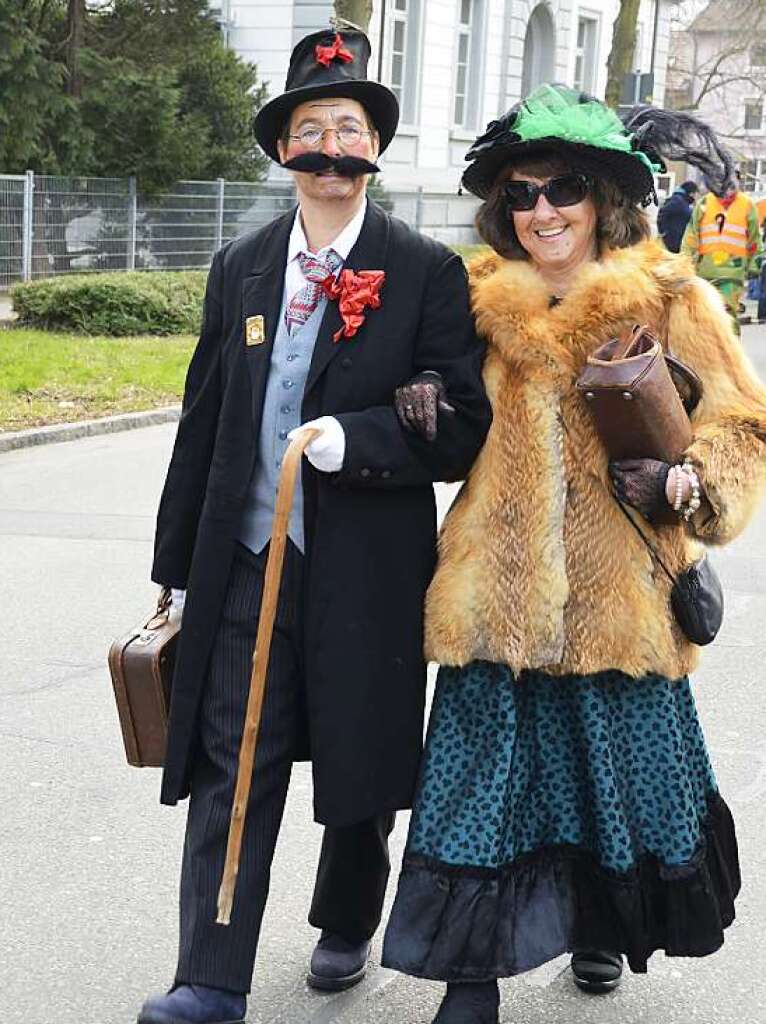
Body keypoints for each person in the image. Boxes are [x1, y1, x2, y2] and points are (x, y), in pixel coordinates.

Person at [381, 84, 766, 1024]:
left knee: (609, 785)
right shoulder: (471, 303)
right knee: (479, 789)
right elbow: (449, 425)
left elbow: (746, 428)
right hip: (493, 595)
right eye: (520, 194)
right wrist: (423, 407)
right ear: (500, 210)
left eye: (562, 189)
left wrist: (685, 484)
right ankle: (468, 982)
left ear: (602, 197)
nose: (542, 210)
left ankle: (599, 930)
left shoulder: (672, 298)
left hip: (619, 597)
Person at [137, 26, 491, 1024]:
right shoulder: (240, 268)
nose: (331, 146)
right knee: (228, 759)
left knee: (360, 760)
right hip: (247, 560)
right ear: (284, 150)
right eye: (310, 127)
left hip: (365, 567)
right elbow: (204, 419)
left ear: (372, 148)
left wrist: (363, 439)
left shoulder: (424, 270)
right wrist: (172, 565)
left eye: (349, 126)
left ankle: (346, 919)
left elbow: (460, 427)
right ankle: (209, 975)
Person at [682, 171, 763, 333]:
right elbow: (691, 236)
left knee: (728, 313)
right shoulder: (704, 203)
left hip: (732, 273)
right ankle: (710, 351)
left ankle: (730, 352)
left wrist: (755, 266)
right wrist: (684, 263)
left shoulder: (747, 206)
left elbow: (754, 240)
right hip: (705, 272)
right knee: (706, 314)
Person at [657, 179, 698, 252]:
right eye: (695, 194)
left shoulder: (683, 202)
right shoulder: (678, 201)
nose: (695, 197)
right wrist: (664, 233)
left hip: (677, 241)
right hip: (672, 242)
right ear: (691, 193)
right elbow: (662, 215)